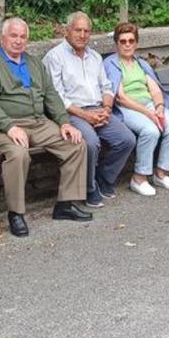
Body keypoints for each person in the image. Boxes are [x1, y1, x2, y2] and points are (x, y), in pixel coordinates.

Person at [0, 17, 92, 237]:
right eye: (13, 36)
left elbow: (50, 94)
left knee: (76, 144)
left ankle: (65, 204)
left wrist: (64, 122)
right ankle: (16, 214)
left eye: (23, 37)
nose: (18, 41)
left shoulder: (33, 62)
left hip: (38, 121)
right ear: (2, 38)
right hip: (5, 127)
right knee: (19, 155)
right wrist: (9, 126)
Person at [43, 12, 137, 206]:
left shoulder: (94, 57)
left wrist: (107, 109)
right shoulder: (54, 57)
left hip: (98, 110)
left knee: (126, 140)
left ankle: (104, 178)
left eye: (87, 31)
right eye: (78, 30)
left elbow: (106, 87)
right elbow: (56, 96)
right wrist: (85, 115)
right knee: (91, 142)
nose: (83, 35)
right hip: (72, 113)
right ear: (67, 31)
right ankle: (89, 187)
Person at [103, 22, 169, 195]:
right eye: (123, 41)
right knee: (150, 130)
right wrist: (148, 113)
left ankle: (161, 174)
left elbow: (155, 89)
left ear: (136, 43)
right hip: (127, 108)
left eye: (131, 41)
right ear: (117, 43)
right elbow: (120, 97)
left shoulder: (141, 63)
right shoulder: (111, 63)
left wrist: (160, 107)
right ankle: (138, 178)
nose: (127, 45)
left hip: (148, 104)